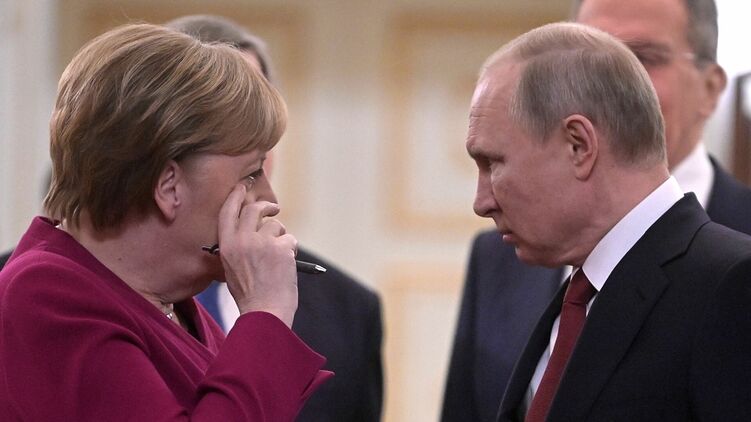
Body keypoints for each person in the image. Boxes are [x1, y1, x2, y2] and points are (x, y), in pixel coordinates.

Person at [0, 23, 332, 421]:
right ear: (168, 185)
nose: (269, 200)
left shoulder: (169, 302)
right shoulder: (49, 297)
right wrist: (266, 314)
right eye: (251, 174)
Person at [441, 1, 751, 420]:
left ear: (579, 145)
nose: (481, 203)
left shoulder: (736, 283)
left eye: (493, 164)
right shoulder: (558, 270)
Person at [164, 15, 383, 422]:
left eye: (260, 124)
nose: (257, 160)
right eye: (228, 126)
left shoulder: (349, 308)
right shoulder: (78, 294)